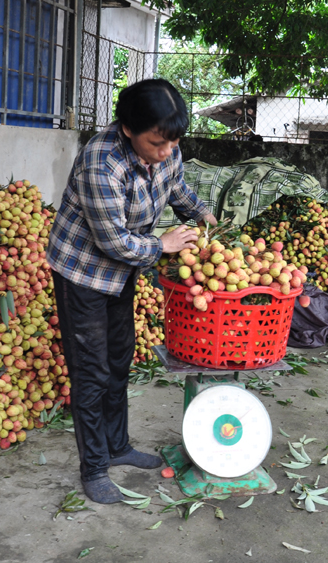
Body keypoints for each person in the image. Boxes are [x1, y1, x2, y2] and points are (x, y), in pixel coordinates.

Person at [47, 79, 217, 504]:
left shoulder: (166, 147)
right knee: (91, 370)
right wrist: (164, 245)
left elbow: (176, 187)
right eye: (157, 142)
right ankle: (95, 468)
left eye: (172, 142)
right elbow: (116, 243)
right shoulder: (100, 164)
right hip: (83, 272)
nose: (165, 151)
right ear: (127, 129)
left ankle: (118, 445)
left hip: (122, 273)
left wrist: (202, 213)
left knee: (119, 358)